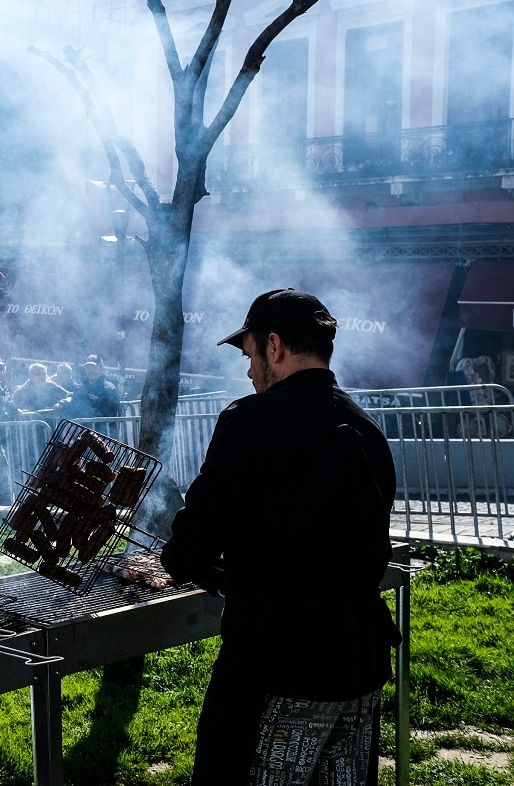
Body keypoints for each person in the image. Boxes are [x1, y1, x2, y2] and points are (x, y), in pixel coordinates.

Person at [159, 288, 400, 785]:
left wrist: (184, 557)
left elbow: (194, 543)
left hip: (280, 664)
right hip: (361, 661)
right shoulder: (366, 426)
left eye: (248, 356)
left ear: (274, 347)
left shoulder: (249, 421)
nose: (249, 373)